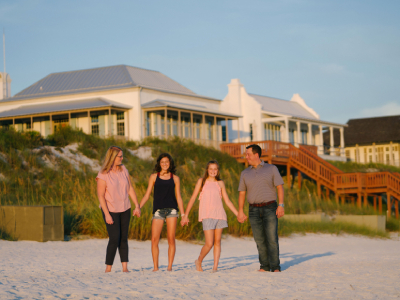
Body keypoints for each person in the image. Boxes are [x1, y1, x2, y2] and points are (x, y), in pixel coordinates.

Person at [181, 160, 241, 272]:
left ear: (218, 171)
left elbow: (227, 201)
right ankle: (199, 261)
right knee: (209, 243)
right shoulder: (202, 181)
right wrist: (185, 215)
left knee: (217, 242)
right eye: (211, 169)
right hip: (207, 215)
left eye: (215, 169)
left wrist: (238, 214)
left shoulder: (220, 183)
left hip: (220, 215)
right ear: (207, 170)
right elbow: (193, 198)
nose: (213, 171)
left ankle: (215, 268)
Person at [237, 144, 285, 272]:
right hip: (253, 210)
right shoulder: (245, 173)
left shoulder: (272, 168)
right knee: (259, 240)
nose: (246, 157)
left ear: (256, 155)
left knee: (272, 239)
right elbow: (242, 193)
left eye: (248, 154)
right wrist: (240, 211)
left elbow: (279, 187)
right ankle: (264, 266)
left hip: (270, 207)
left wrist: (281, 205)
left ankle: (275, 266)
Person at [96, 146, 141, 273]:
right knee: (114, 238)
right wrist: (107, 214)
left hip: (125, 207)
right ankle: (108, 268)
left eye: (122, 156)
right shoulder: (103, 173)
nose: (122, 158)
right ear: (112, 157)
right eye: (120, 156)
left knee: (124, 238)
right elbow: (100, 195)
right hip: (110, 209)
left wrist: (137, 205)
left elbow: (130, 188)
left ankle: (125, 267)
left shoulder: (123, 169)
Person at [139, 153, 185, 271]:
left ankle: (169, 267)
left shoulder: (175, 178)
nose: (165, 164)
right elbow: (147, 195)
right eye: (162, 162)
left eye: (167, 162)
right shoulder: (154, 177)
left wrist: (184, 214)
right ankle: (155, 267)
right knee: (154, 239)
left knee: (171, 239)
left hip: (172, 210)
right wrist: (138, 207)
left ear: (170, 164)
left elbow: (178, 197)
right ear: (159, 164)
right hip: (158, 211)